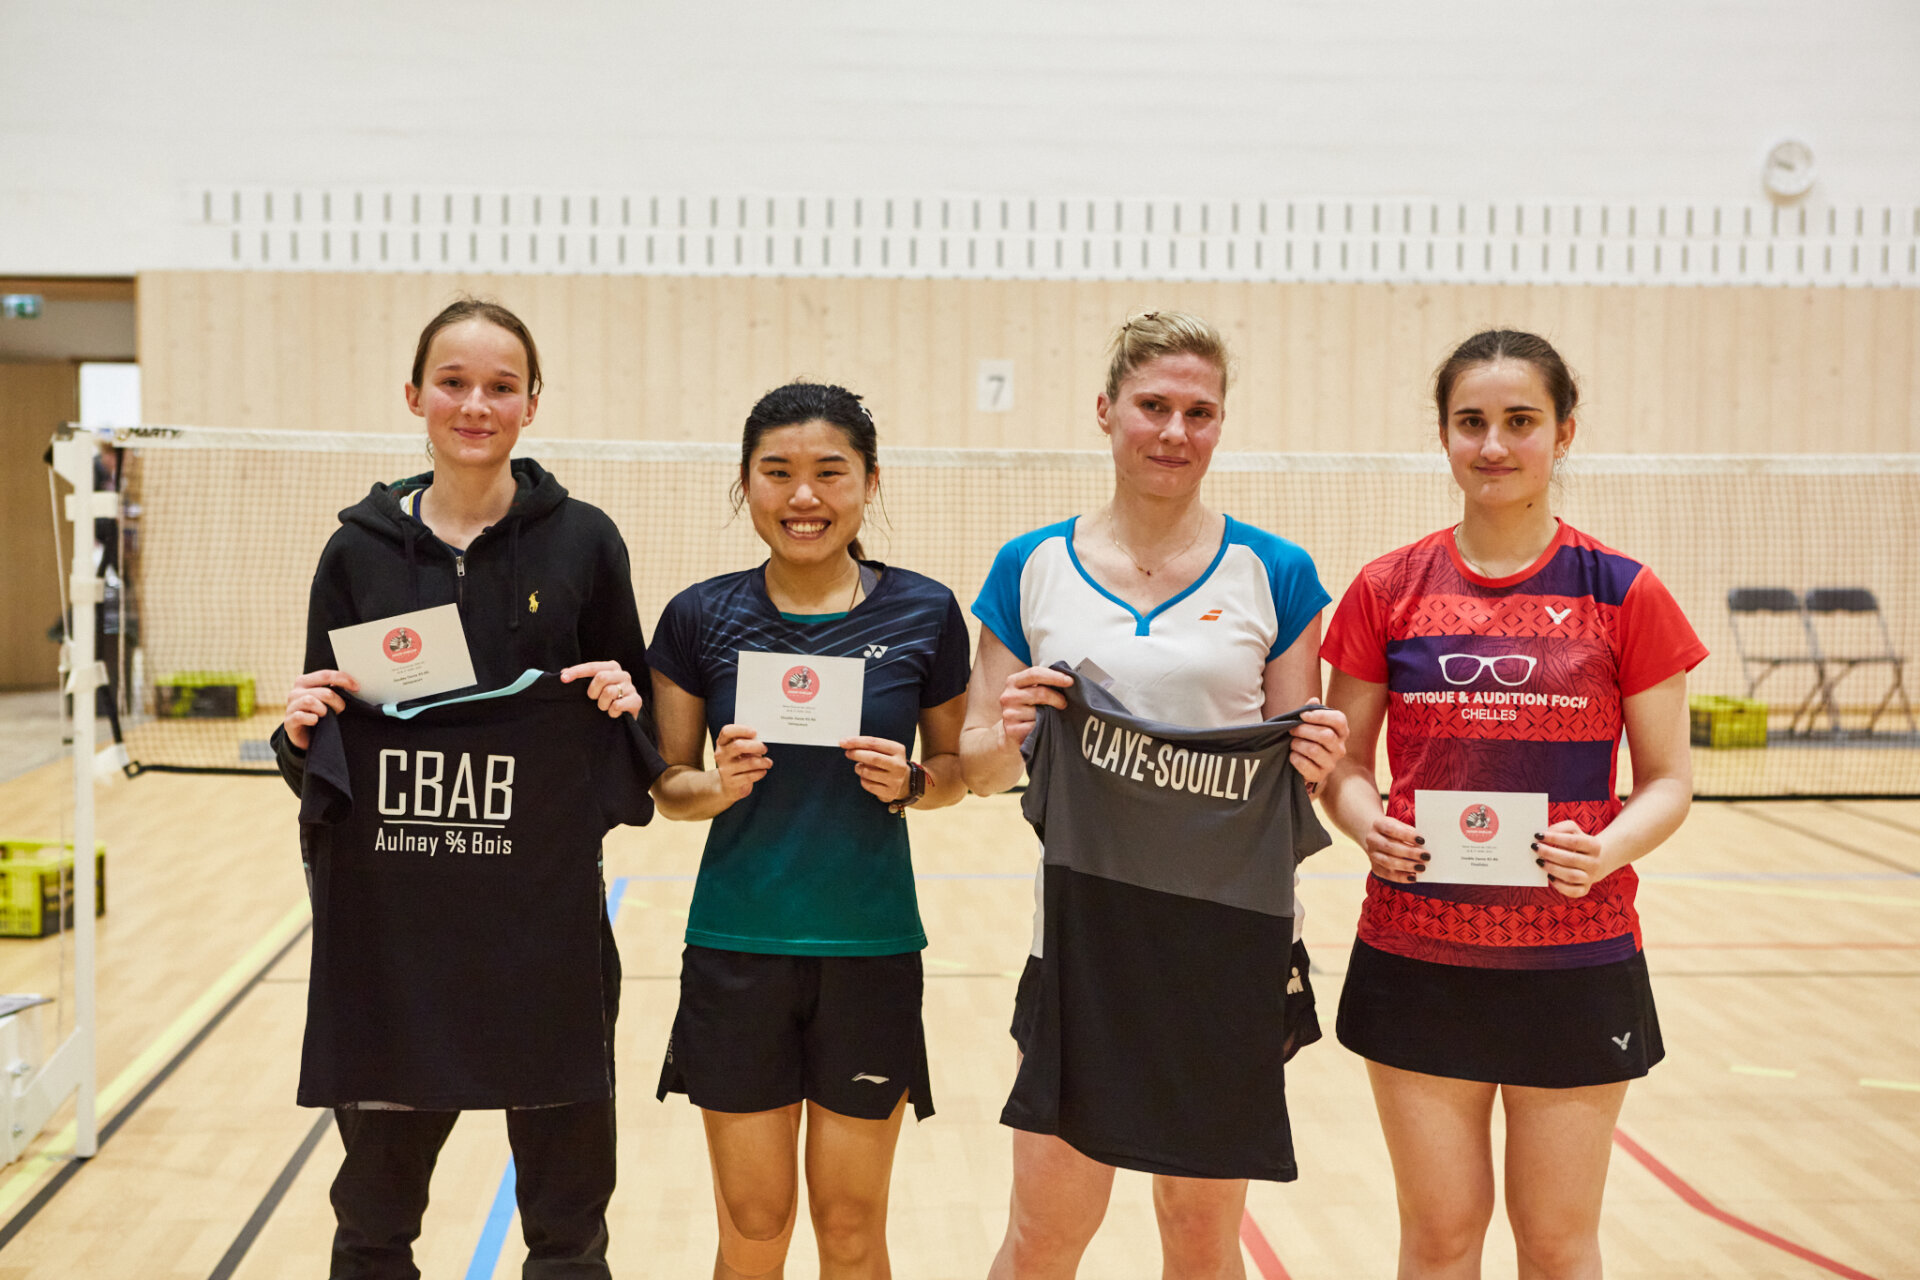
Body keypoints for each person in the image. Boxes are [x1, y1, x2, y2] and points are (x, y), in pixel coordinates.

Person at [960, 311, 1349, 1279]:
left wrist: (1317, 753)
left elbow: (1297, 762)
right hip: (1080, 935)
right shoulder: (1029, 565)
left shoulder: (1277, 571)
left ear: (1220, 423)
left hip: (1227, 938)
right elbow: (976, 765)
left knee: (1201, 1234)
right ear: (1106, 410)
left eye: (1199, 411)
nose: (1176, 431)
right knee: (1044, 1233)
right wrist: (1009, 732)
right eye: (1154, 406)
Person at [272, 297, 650, 1280]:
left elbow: (636, 735)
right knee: (373, 1223)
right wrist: (298, 729)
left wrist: (622, 705)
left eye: (500, 385)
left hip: (546, 934)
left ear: (532, 403)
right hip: (395, 942)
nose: (476, 404)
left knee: (569, 1229)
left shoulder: (585, 543)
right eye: (454, 382)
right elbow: (320, 748)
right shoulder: (357, 553)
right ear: (414, 395)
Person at [1317, 329, 1705, 1280]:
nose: (1493, 445)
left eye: (1520, 421)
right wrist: (1367, 825)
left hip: (1576, 956)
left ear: (1563, 433)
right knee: (1440, 1237)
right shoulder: (1386, 589)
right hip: (1418, 954)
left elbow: (1668, 780)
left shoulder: (1624, 592)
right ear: (1444, 434)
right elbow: (1342, 762)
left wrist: (1608, 849)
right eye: (1471, 422)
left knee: (1557, 1244)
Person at [647, 381, 971, 1280]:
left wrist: (913, 783)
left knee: (852, 1225)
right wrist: (716, 786)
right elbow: (667, 786)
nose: (803, 496)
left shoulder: (925, 611)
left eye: (830, 472)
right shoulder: (698, 616)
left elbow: (952, 773)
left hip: (869, 951)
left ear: (870, 482)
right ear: (745, 482)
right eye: (777, 471)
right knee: (754, 1224)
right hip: (737, 950)